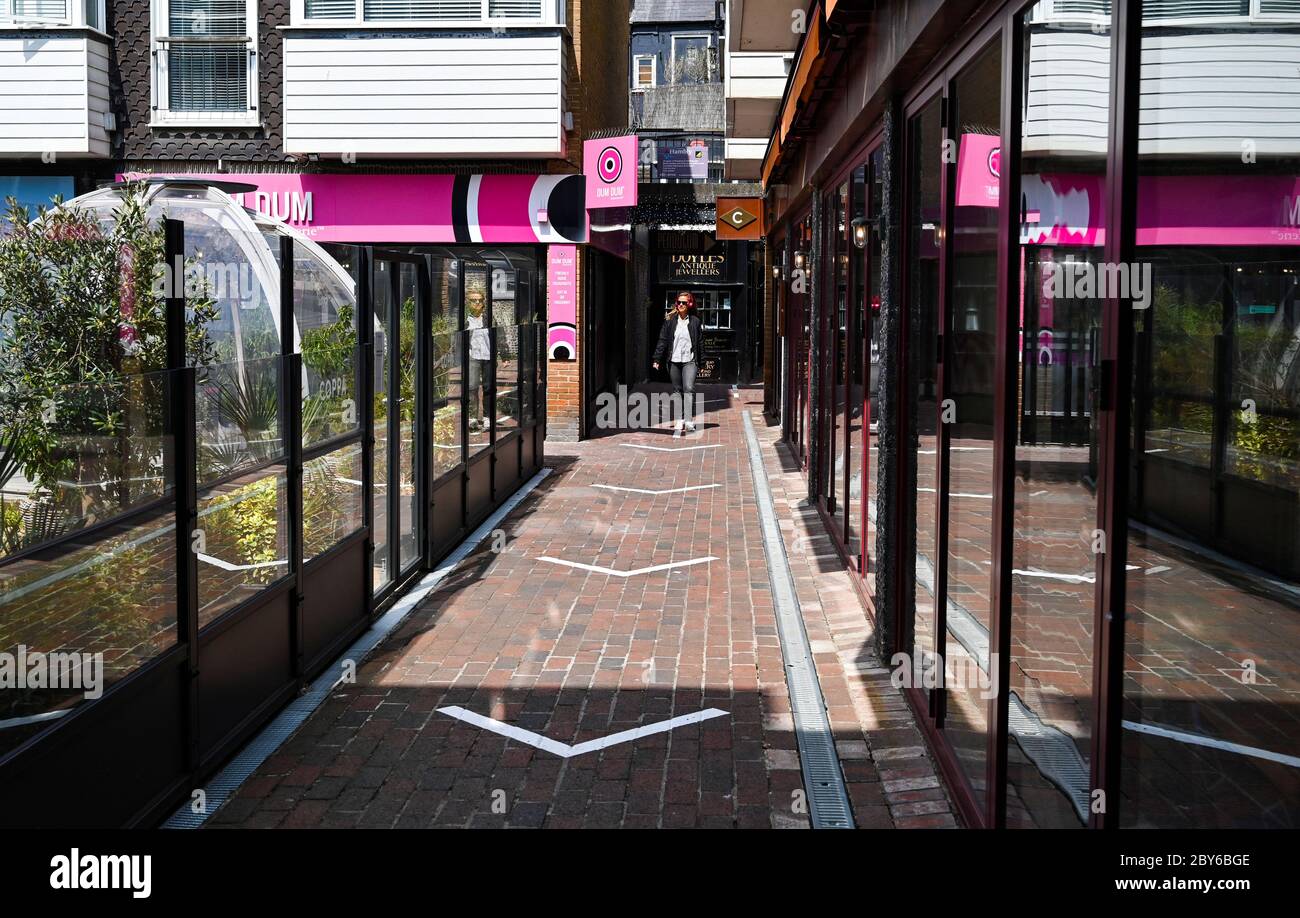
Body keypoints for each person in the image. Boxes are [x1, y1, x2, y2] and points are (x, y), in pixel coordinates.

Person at [652, 291, 702, 432]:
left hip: (690, 360)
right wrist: (657, 358)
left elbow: (700, 342)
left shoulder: (695, 322)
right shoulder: (670, 321)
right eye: (679, 302)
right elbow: (663, 340)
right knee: (677, 390)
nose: (680, 304)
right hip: (674, 361)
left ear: (689, 304)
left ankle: (689, 420)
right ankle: (680, 419)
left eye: (684, 302)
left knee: (689, 388)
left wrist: (702, 362)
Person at [466, 291, 492, 430]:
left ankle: (487, 418)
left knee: (488, 387)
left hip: (488, 356)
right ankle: (473, 417)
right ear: (468, 302)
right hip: (473, 356)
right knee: (472, 387)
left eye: (480, 300)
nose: (477, 303)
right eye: (473, 300)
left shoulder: (489, 318)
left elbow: (499, 336)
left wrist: (504, 356)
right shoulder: (465, 319)